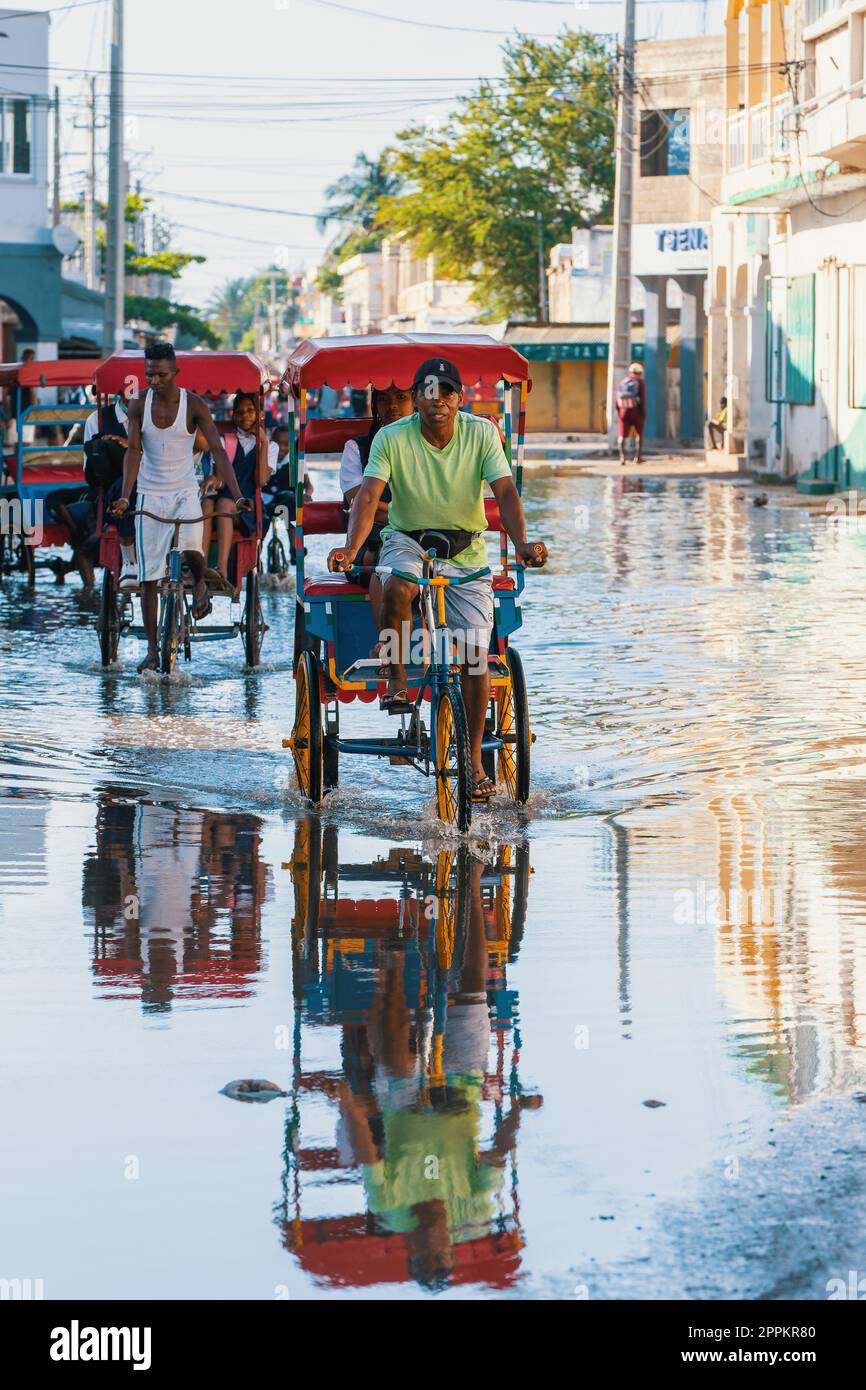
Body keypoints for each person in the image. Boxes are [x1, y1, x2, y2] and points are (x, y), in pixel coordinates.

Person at [327, 357, 547, 804]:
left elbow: (504, 491)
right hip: (407, 539)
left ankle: (473, 763)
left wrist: (522, 542)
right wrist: (352, 550)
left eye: (446, 391)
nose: (437, 400)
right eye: (427, 392)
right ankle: (397, 677)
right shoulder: (392, 438)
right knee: (398, 586)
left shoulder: (481, 433)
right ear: (417, 400)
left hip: (466, 550)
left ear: (459, 398)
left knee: (474, 659)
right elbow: (368, 496)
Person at [110, 342, 250, 674]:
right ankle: (152, 650)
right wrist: (126, 496)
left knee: (193, 553)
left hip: (185, 492)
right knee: (149, 578)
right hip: (149, 494)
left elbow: (217, 450)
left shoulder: (195, 405)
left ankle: (200, 582)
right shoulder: (137, 406)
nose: (154, 380)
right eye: (149, 375)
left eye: (160, 374)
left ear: (175, 373)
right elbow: (133, 452)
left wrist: (237, 493)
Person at [339, 385, 413, 603]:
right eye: (383, 399)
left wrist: (380, 508)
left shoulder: (429, 447)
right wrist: (413, 513)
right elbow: (360, 505)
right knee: (387, 560)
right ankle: (388, 637)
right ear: (374, 405)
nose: (392, 405)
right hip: (369, 543)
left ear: (415, 401)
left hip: (421, 538)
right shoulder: (357, 448)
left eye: (401, 397)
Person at [200, 390, 276, 590]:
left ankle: (222, 569)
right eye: (240, 412)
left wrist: (263, 444)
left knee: (224, 503)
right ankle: (200, 568)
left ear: (259, 414)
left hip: (247, 508)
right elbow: (221, 480)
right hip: (223, 499)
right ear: (234, 416)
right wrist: (213, 480)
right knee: (209, 502)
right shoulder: (227, 441)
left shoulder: (271, 446)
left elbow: (260, 480)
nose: (246, 416)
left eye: (251, 410)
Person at [615, 361, 646, 466]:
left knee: (622, 435)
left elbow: (617, 399)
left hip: (623, 411)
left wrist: (620, 412)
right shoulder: (640, 382)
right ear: (640, 372)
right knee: (639, 434)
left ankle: (622, 458)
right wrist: (643, 414)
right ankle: (637, 457)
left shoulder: (623, 382)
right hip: (636, 412)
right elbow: (642, 399)